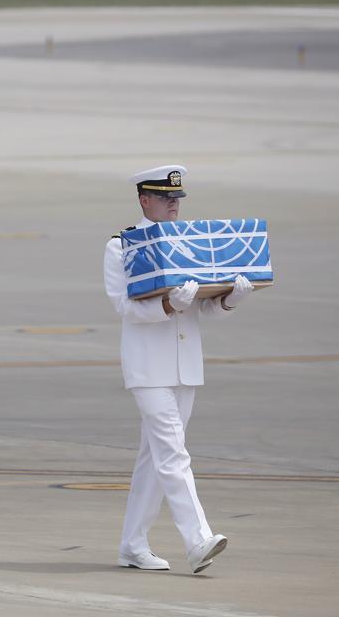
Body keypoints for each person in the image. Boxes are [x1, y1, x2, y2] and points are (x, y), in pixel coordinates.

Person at [103, 164, 255, 574]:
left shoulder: (191, 242)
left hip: (186, 366)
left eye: (177, 198)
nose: (174, 204)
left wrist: (232, 297)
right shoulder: (122, 246)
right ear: (144, 199)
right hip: (148, 367)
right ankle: (197, 540)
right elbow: (125, 306)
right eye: (166, 197)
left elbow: (206, 307)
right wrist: (169, 305)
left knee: (154, 457)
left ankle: (133, 546)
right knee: (173, 452)